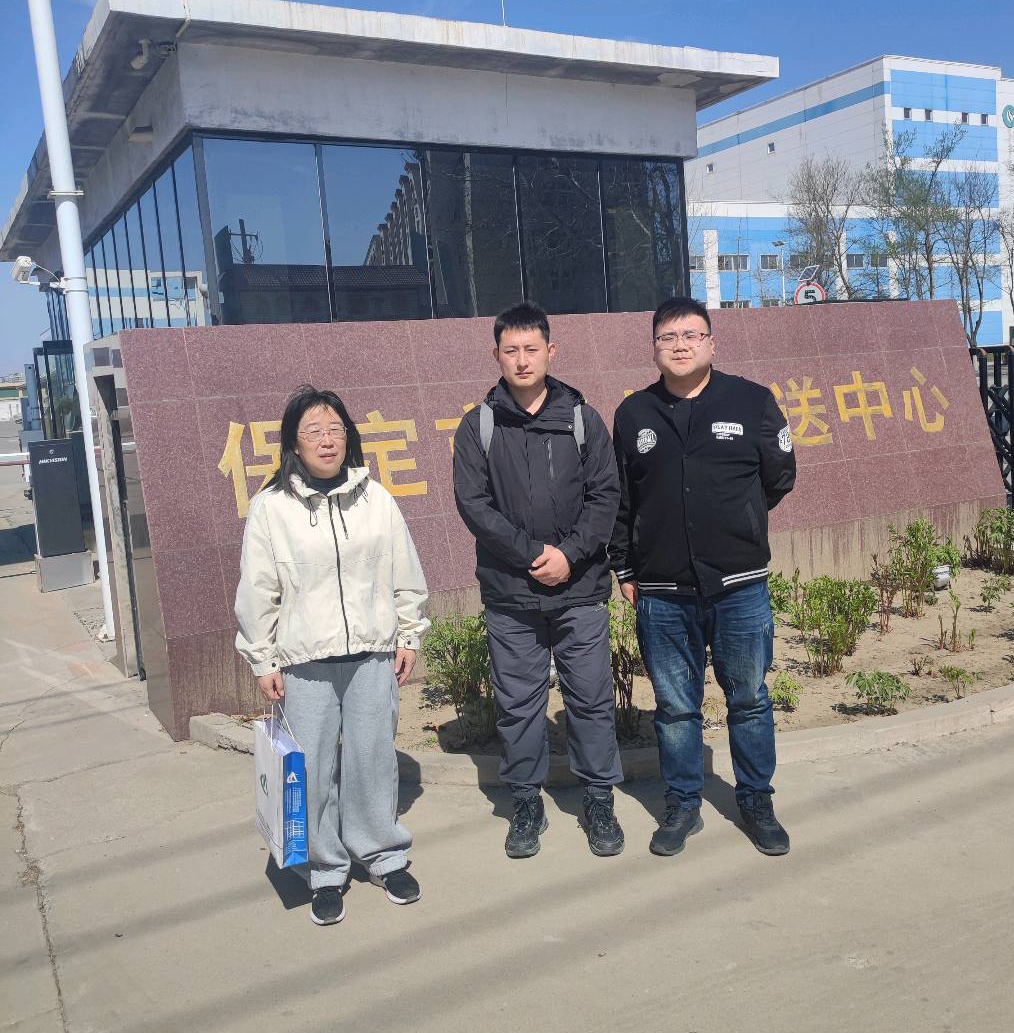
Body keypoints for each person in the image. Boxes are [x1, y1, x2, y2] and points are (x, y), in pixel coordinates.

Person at [234, 386, 430, 926]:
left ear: (349, 436)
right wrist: (263, 659)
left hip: (371, 654)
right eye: (313, 431)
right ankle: (323, 869)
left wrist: (408, 634)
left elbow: (404, 570)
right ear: (293, 444)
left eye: (335, 429)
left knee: (373, 759)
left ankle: (383, 854)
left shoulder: (376, 499)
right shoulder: (272, 508)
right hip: (305, 662)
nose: (327, 440)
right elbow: (258, 590)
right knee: (314, 768)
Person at [609, 297, 796, 858]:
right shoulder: (634, 414)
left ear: (712, 342)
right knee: (675, 708)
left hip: (739, 586)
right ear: (654, 348)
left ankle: (756, 800)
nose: (681, 345)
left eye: (692, 335)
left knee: (750, 699)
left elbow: (779, 477)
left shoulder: (752, 401)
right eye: (668, 337)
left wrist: (735, 523)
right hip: (662, 591)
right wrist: (625, 565)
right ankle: (683, 803)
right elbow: (622, 498)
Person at [453, 302, 625, 858]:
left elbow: (605, 495)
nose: (522, 360)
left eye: (532, 349)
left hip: (580, 589)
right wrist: (533, 555)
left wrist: (569, 555)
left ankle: (599, 799)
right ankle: (526, 802)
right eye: (511, 350)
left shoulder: (582, 419)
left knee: (591, 698)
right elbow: (474, 505)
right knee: (519, 705)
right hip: (512, 594)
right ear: (496, 355)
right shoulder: (479, 426)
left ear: (551, 352)